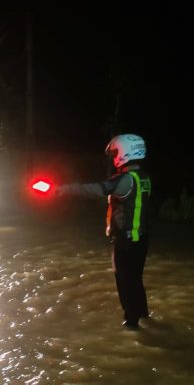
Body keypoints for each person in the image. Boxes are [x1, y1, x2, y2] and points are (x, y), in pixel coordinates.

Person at [57, 133, 152, 329]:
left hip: (125, 242)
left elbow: (96, 189)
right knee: (135, 280)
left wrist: (63, 189)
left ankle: (131, 325)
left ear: (125, 152)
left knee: (125, 283)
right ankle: (143, 314)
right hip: (141, 238)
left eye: (116, 151)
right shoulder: (143, 177)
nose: (114, 156)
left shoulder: (126, 180)